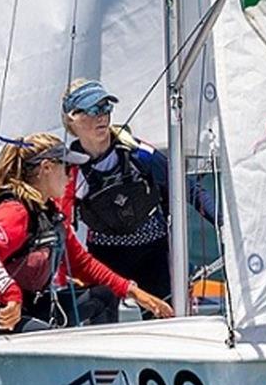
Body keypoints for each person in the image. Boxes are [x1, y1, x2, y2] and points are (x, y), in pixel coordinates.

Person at [0, 132, 173, 337]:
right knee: (49, 337)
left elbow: (82, 265)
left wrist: (137, 294)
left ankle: (102, 366)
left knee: (104, 296)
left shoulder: (50, 215)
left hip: (29, 307)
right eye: (67, 168)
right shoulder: (15, 210)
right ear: (47, 168)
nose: (71, 176)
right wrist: (11, 296)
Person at [60, 79, 218, 311]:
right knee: (102, 325)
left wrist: (221, 222)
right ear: (72, 117)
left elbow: (189, 188)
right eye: (93, 109)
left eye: (106, 108)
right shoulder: (68, 171)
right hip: (104, 259)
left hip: (154, 253)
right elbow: (62, 226)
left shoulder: (140, 154)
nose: (102, 116)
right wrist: (64, 275)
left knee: (166, 318)